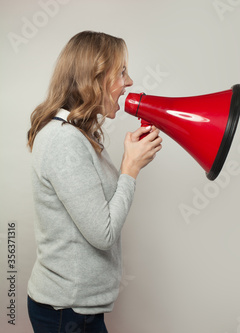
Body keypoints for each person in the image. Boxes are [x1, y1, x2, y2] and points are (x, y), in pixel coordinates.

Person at [26, 31, 162, 332]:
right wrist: (130, 168)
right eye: (122, 72)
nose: (129, 82)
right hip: (66, 312)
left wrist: (129, 165)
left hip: (79, 308)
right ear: (95, 78)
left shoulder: (78, 135)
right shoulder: (63, 141)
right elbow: (103, 233)